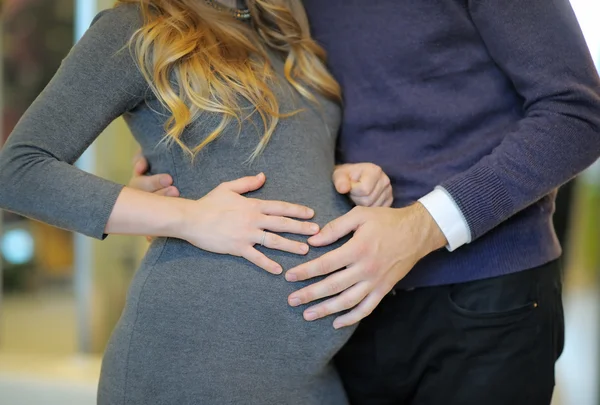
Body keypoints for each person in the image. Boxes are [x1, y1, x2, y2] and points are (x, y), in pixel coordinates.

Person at [134, 0, 600, 404]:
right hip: (340, 308)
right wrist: (182, 176)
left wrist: (420, 227)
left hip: (485, 299)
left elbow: (577, 115)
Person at [0, 1, 397, 404]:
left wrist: (348, 176)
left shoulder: (278, 21)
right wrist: (190, 218)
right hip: (191, 365)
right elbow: (18, 172)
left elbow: (282, 152)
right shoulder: (136, 26)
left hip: (312, 373)